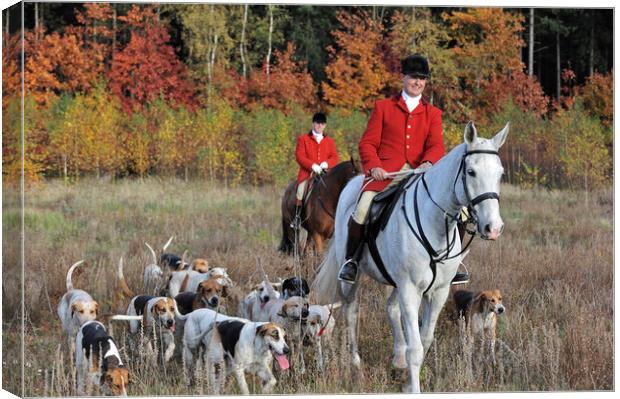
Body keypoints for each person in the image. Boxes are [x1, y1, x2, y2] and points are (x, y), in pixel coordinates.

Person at [338, 54, 445, 284]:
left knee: (458, 209)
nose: (418, 82)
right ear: (403, 77)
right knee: (362, 207)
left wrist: (428, 163)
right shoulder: (383, 107)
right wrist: (374, 166)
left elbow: (436, 145)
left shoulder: (433, 114)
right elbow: (367, 143)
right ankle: (351, 261)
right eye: (414, 77)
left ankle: (451, 264)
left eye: (422, 79)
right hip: (386, 175)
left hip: (420, 175)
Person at [293, 112, 339, 228]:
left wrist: (326, 164)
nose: (320, 126)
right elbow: (299, 156)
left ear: (325, 125)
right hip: (308, 174)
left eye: (322, 123)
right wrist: (312, 166)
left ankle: (336, 218)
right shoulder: (303, 139)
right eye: (318, 123)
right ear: (313, 123)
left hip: (325, 174)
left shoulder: (329, 141)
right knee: (300, 190)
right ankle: (297, 218)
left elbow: (335, 157)